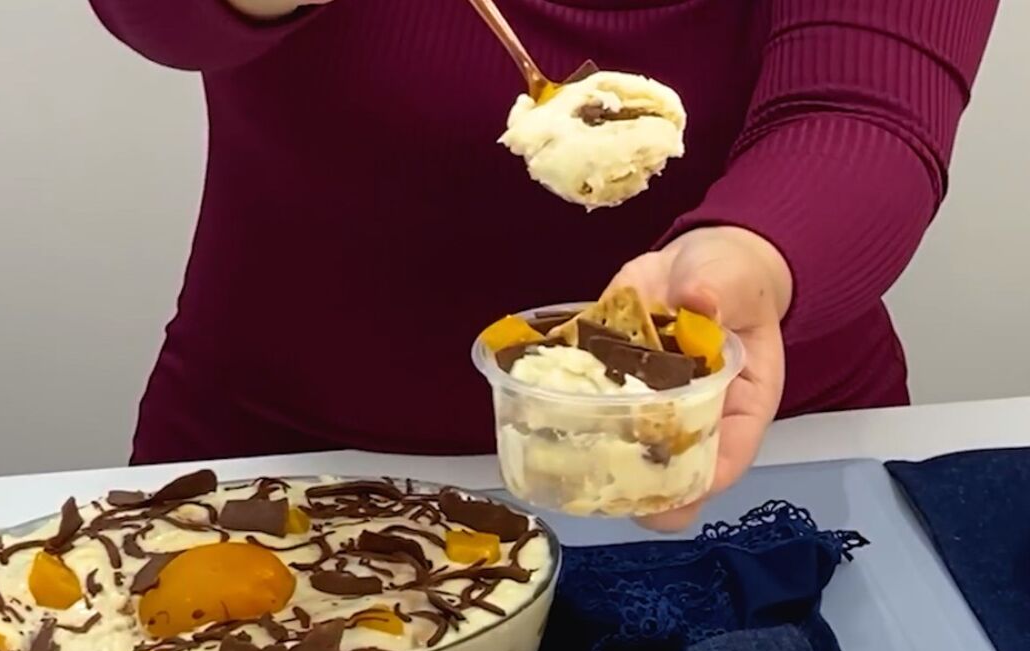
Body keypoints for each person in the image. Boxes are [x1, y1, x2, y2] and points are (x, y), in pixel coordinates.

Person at [88, 0, 997, 527]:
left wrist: (744, 260)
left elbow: (867, 112)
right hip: (287, 472)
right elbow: (164, 20)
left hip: (745, 460)